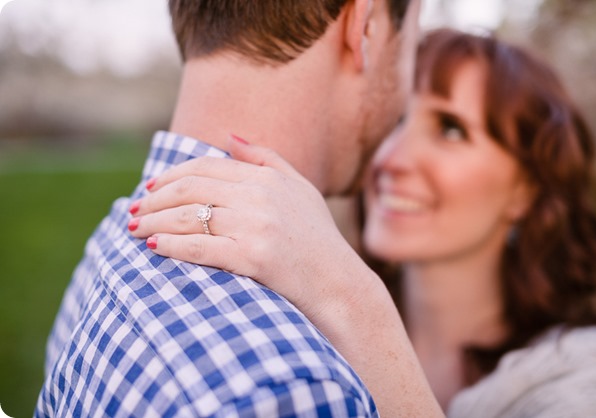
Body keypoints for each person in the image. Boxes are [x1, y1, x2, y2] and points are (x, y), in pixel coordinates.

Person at [128, 29, 596, 417]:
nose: (392, 157)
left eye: (451, 130)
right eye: (398, 122)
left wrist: (353, 300)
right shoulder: (294, 335)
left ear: (526, 190)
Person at [36, 1, 445, 417]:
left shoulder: (106, 247)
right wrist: (363, 309)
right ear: (365, 27)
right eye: (412, 38)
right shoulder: (293, 389)